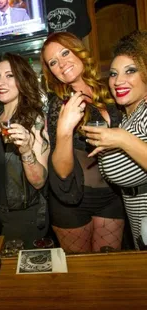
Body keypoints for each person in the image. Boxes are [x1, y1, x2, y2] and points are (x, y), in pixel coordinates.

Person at [41, 32, 125, 253]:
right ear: (52, 73)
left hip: (112, 195)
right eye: (53, 62)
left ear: (78, 50)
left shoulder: (109, 87)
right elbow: (61, 171)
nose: (61, 64)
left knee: (109, 269)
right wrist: (65, 130)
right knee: (83, 276)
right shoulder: (58, 105)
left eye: (65, 52)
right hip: (73, 201)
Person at [83, 30, 147, 250]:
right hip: (136, 216)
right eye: (113, 73)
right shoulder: (128, 115)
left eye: (130, 71)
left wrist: (121, 139)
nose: (118, 81)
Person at [0, 52, 50, 249]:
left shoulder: (33, 119)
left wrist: (26, 149)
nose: (1, 82)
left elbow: (39, 181)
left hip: (24, 216)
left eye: (9, 75)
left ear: (22, 79)